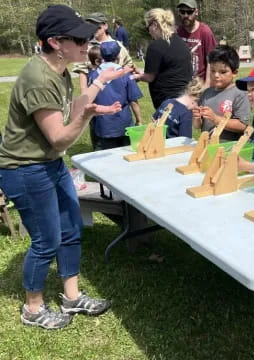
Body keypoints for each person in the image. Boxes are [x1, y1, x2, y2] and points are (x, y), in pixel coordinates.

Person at [0, 4, 132, 329]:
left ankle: (72, 299)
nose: (87, 44)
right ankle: (33, 309)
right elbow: (59, 137)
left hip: (49, 163)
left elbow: (70, 108)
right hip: (25, 168)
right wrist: (86, 118)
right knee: (46, 239)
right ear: (56, 41)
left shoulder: (59, 70)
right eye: (79, 39)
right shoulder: (37, 78)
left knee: (71, 228)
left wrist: (99, 82)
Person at [132, 8, 192, 110]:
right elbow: (167, 70)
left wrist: (134, 77)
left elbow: (149, 77)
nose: (149, 31)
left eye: (148, 27)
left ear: (155, 25)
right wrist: (140, 71)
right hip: (185, 101)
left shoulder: (156, 46)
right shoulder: (181, 43)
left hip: (167, 103)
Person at [89, 41, 143, 150]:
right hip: (124, 124)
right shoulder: (125, 74)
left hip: (103, 125)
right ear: (118, 55)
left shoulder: (93, 75)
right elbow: (133, 101)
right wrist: (139, 120)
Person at [193, 45, 250, 141]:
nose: (216, 75)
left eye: (222, 72)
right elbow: (198, 126)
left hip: (227, 149)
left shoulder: (239, 93)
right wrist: (196, 118)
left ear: (234, 73)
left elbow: (242, 125)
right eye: (212, 71)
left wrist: (215, 119)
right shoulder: (206, 94)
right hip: (207, 146)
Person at [73, 12, 133, 94]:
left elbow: (129, 65)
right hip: (94, 92)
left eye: (97, 27)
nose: (93, 30)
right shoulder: (86, 47)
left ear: (105, 26)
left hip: (116, 92)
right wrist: (84, 93)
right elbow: (82, 70)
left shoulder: (118, 46)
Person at [176, 0, 216, 86]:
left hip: (200, 85)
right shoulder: (177, 32)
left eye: (189, 12)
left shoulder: (205, 31)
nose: (186, 15)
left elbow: (211, 60)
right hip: (181, 85)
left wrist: (207, 86)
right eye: (182, 12)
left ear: (196, 12)